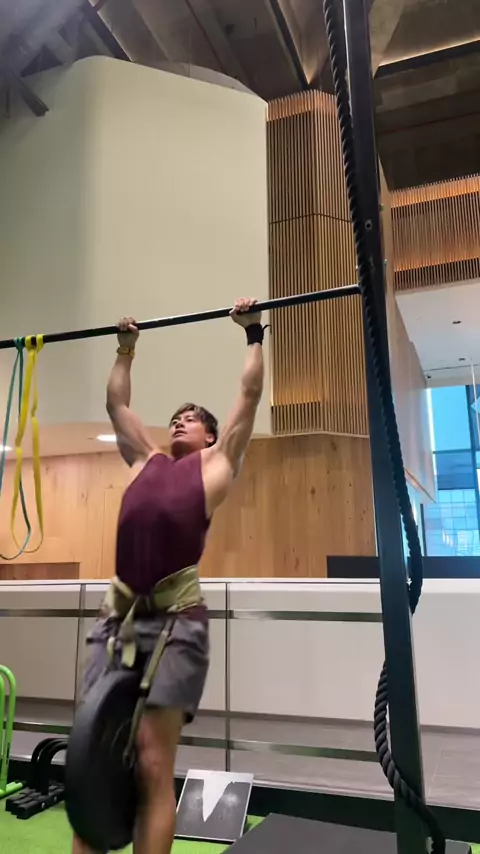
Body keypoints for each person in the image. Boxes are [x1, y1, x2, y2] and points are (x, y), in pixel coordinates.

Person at [73, 297, 265, 854]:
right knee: (92, 758)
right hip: (117, 622)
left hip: (177, 625)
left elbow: (249, 394)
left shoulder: (218, 464)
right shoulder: (145, 459)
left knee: (153, 762)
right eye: (176, 416)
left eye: (192, 418)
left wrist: (253, 332)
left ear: (210, 437)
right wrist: (126, 348)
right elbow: (116, 401)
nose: (181, 420)